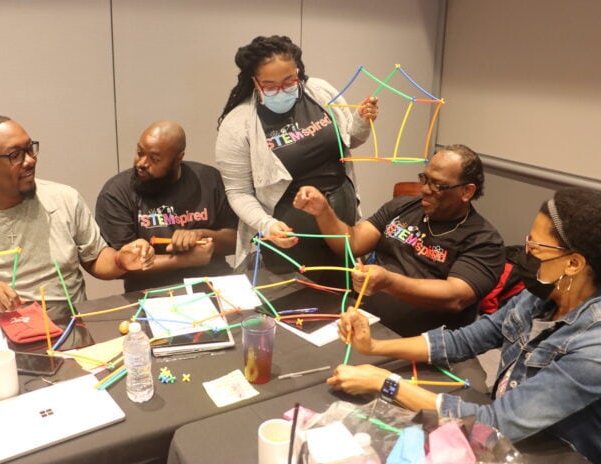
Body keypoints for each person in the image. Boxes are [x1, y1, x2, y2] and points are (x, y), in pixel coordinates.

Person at [327, 187, 601, 462]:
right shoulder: (540, 296)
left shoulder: (593, 351)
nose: (525, 252)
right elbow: (464, 340)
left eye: (536, 247)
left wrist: (385, 382)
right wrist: (374, 346)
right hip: (510, 438)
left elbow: (494, 423)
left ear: (574, 264)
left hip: (556, 453)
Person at [0, 115, 155, 319]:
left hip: (65, 326)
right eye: (15, 155)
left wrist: (121, 260)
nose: (30, 161)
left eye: (30, 149)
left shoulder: (65, 199)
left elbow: (96, 259)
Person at [215, 35, 378, 287]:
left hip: (340, 224)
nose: (281, 90)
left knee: (343, 294)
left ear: (299, 73)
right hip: (289, 237)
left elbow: (351, 140)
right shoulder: (238, 124)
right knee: (297, 303)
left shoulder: (320, 91)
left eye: (289, 81)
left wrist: (361, 121)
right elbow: (237, 192)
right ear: (254, 82)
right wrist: (266, 225)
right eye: (270, 85)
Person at [293, 145, 505, 336]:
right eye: (425, 178)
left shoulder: (484, 241)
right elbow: (353, 242)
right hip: (364, 322)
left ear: (466, 191)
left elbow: (454, 296)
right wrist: (324, 212)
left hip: (419, 343)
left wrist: (388, 282)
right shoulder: (402, 207)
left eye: (438, 185)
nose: (425, 189)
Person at [95, 120, 237, 292]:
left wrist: (202, 235)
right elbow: (121, 266)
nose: (142, 163)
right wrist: (187, 259)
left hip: (215, 282)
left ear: (178, 158)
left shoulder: (208, 180)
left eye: (154, 159)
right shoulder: (116, 193)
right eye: (140, 152)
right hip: (153, 292)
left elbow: (236, 241)